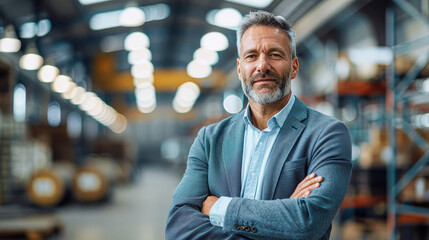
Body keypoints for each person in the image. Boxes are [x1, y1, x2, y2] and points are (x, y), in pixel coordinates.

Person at [166, 10, 352, 240]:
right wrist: (279, 222)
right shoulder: (210, 140)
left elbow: (307, 222)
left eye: (274, 54)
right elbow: (178, 228)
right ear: (239, 68)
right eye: (251, 56)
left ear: (294, 67)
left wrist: (219, 208)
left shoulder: (326, 134)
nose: (262, 66)